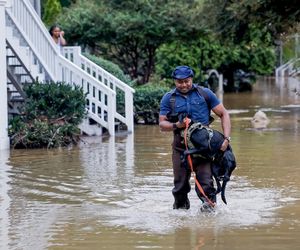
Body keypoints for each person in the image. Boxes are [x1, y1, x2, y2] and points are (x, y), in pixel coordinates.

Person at [159, 65, 231, 211]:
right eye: (180, 82)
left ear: (191, 79)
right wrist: (177, 125)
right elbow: (162, 124)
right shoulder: (169, 98)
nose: (184, 85)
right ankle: (180, 221)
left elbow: (224, 114)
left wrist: (226, 139)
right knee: (180, 187)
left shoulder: (205, 94)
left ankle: (209, 222)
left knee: (206, 185)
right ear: (174, 81)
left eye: (187, 81)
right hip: (180, 149)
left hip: (203, 149)